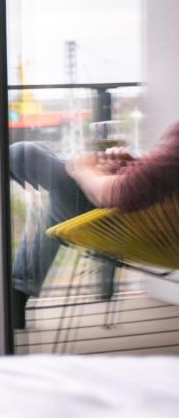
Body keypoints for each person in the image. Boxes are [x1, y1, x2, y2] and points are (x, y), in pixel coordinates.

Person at [9, 122, 179, 328]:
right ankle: (17, 292)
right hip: (150, 221)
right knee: (52, 188)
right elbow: (164, 175)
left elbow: (117, 193)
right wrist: (130, 165)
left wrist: (84, 170)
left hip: (138, 227)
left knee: (22, 153)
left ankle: (16, 295)